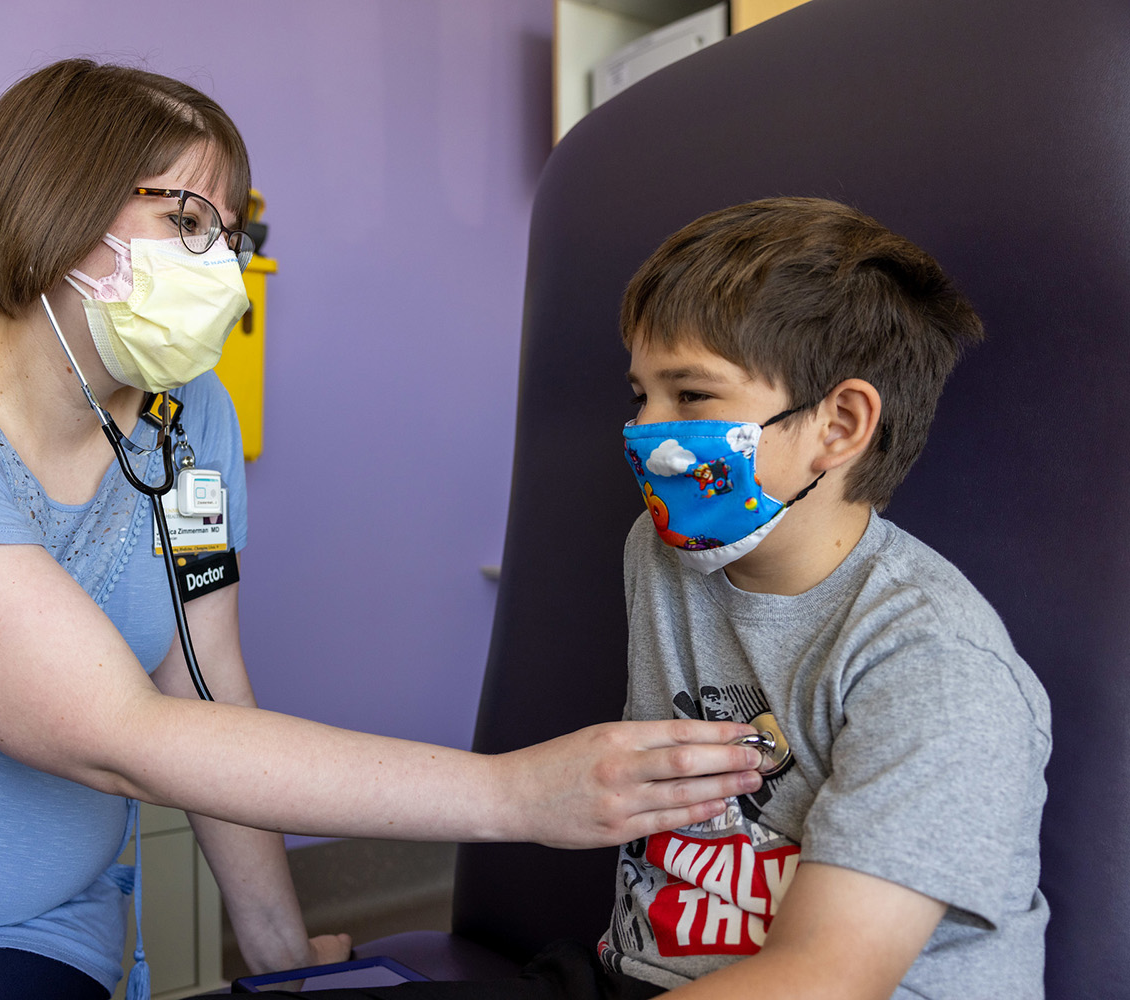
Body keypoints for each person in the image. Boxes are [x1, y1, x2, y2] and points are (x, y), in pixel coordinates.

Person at [0, 60, 764, 1000]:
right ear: (58, 214)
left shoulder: (188, 421)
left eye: (233, 231)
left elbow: (202, 680)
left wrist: (276, 952)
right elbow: (112, 731)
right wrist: (518, 795)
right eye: (184, 220)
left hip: (14, 936)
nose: (222, 262)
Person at [246, 198, 1051, 1000]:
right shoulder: (663, 553)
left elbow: (826, 978)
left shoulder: (938, 667)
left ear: (838, 424)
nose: (646, 435)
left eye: (691, 397)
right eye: (641, 397)